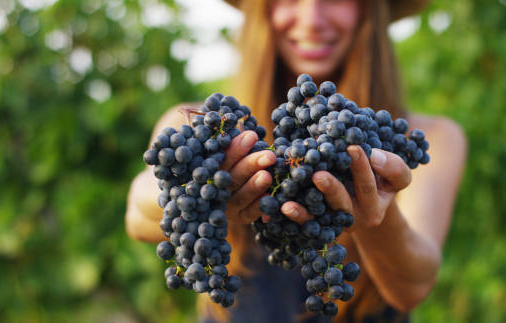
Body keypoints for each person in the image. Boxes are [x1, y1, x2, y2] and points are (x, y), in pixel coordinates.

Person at [126, 0, 467, 322]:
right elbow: (138, 213)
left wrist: (371, 207)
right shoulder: (201, 125)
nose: (312, 20)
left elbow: (413, 287)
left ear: (369, 8)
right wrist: (208, 192)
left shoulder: (424, 139)